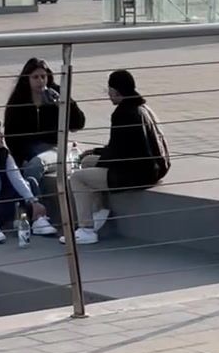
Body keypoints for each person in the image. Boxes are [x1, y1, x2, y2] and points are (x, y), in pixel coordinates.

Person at [69, 70, 170, 244]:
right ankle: (99, 211)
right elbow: (122, 146)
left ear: (115, 91)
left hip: (134, 174)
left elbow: (117, 154)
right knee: (87, 162)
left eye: (109, 90)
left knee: (77, 178)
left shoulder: (122, 113)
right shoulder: (143, 108)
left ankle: (86, 228)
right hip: (153, 169)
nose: (108, 95)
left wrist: (100, 158)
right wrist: (95, 152)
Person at [3, 57, 85, 226]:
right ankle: (30, 215)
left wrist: (64, 104)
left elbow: (78, 124)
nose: (40, 81)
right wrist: (21, 158)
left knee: (35, 165)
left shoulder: (55, 93)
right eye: (35, 77)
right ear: (27, 79)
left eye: (43, 76)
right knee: (22, 167)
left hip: (55, 149)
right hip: (29, 151)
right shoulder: (19, 100)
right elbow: (11, 137)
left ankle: (36, 216)